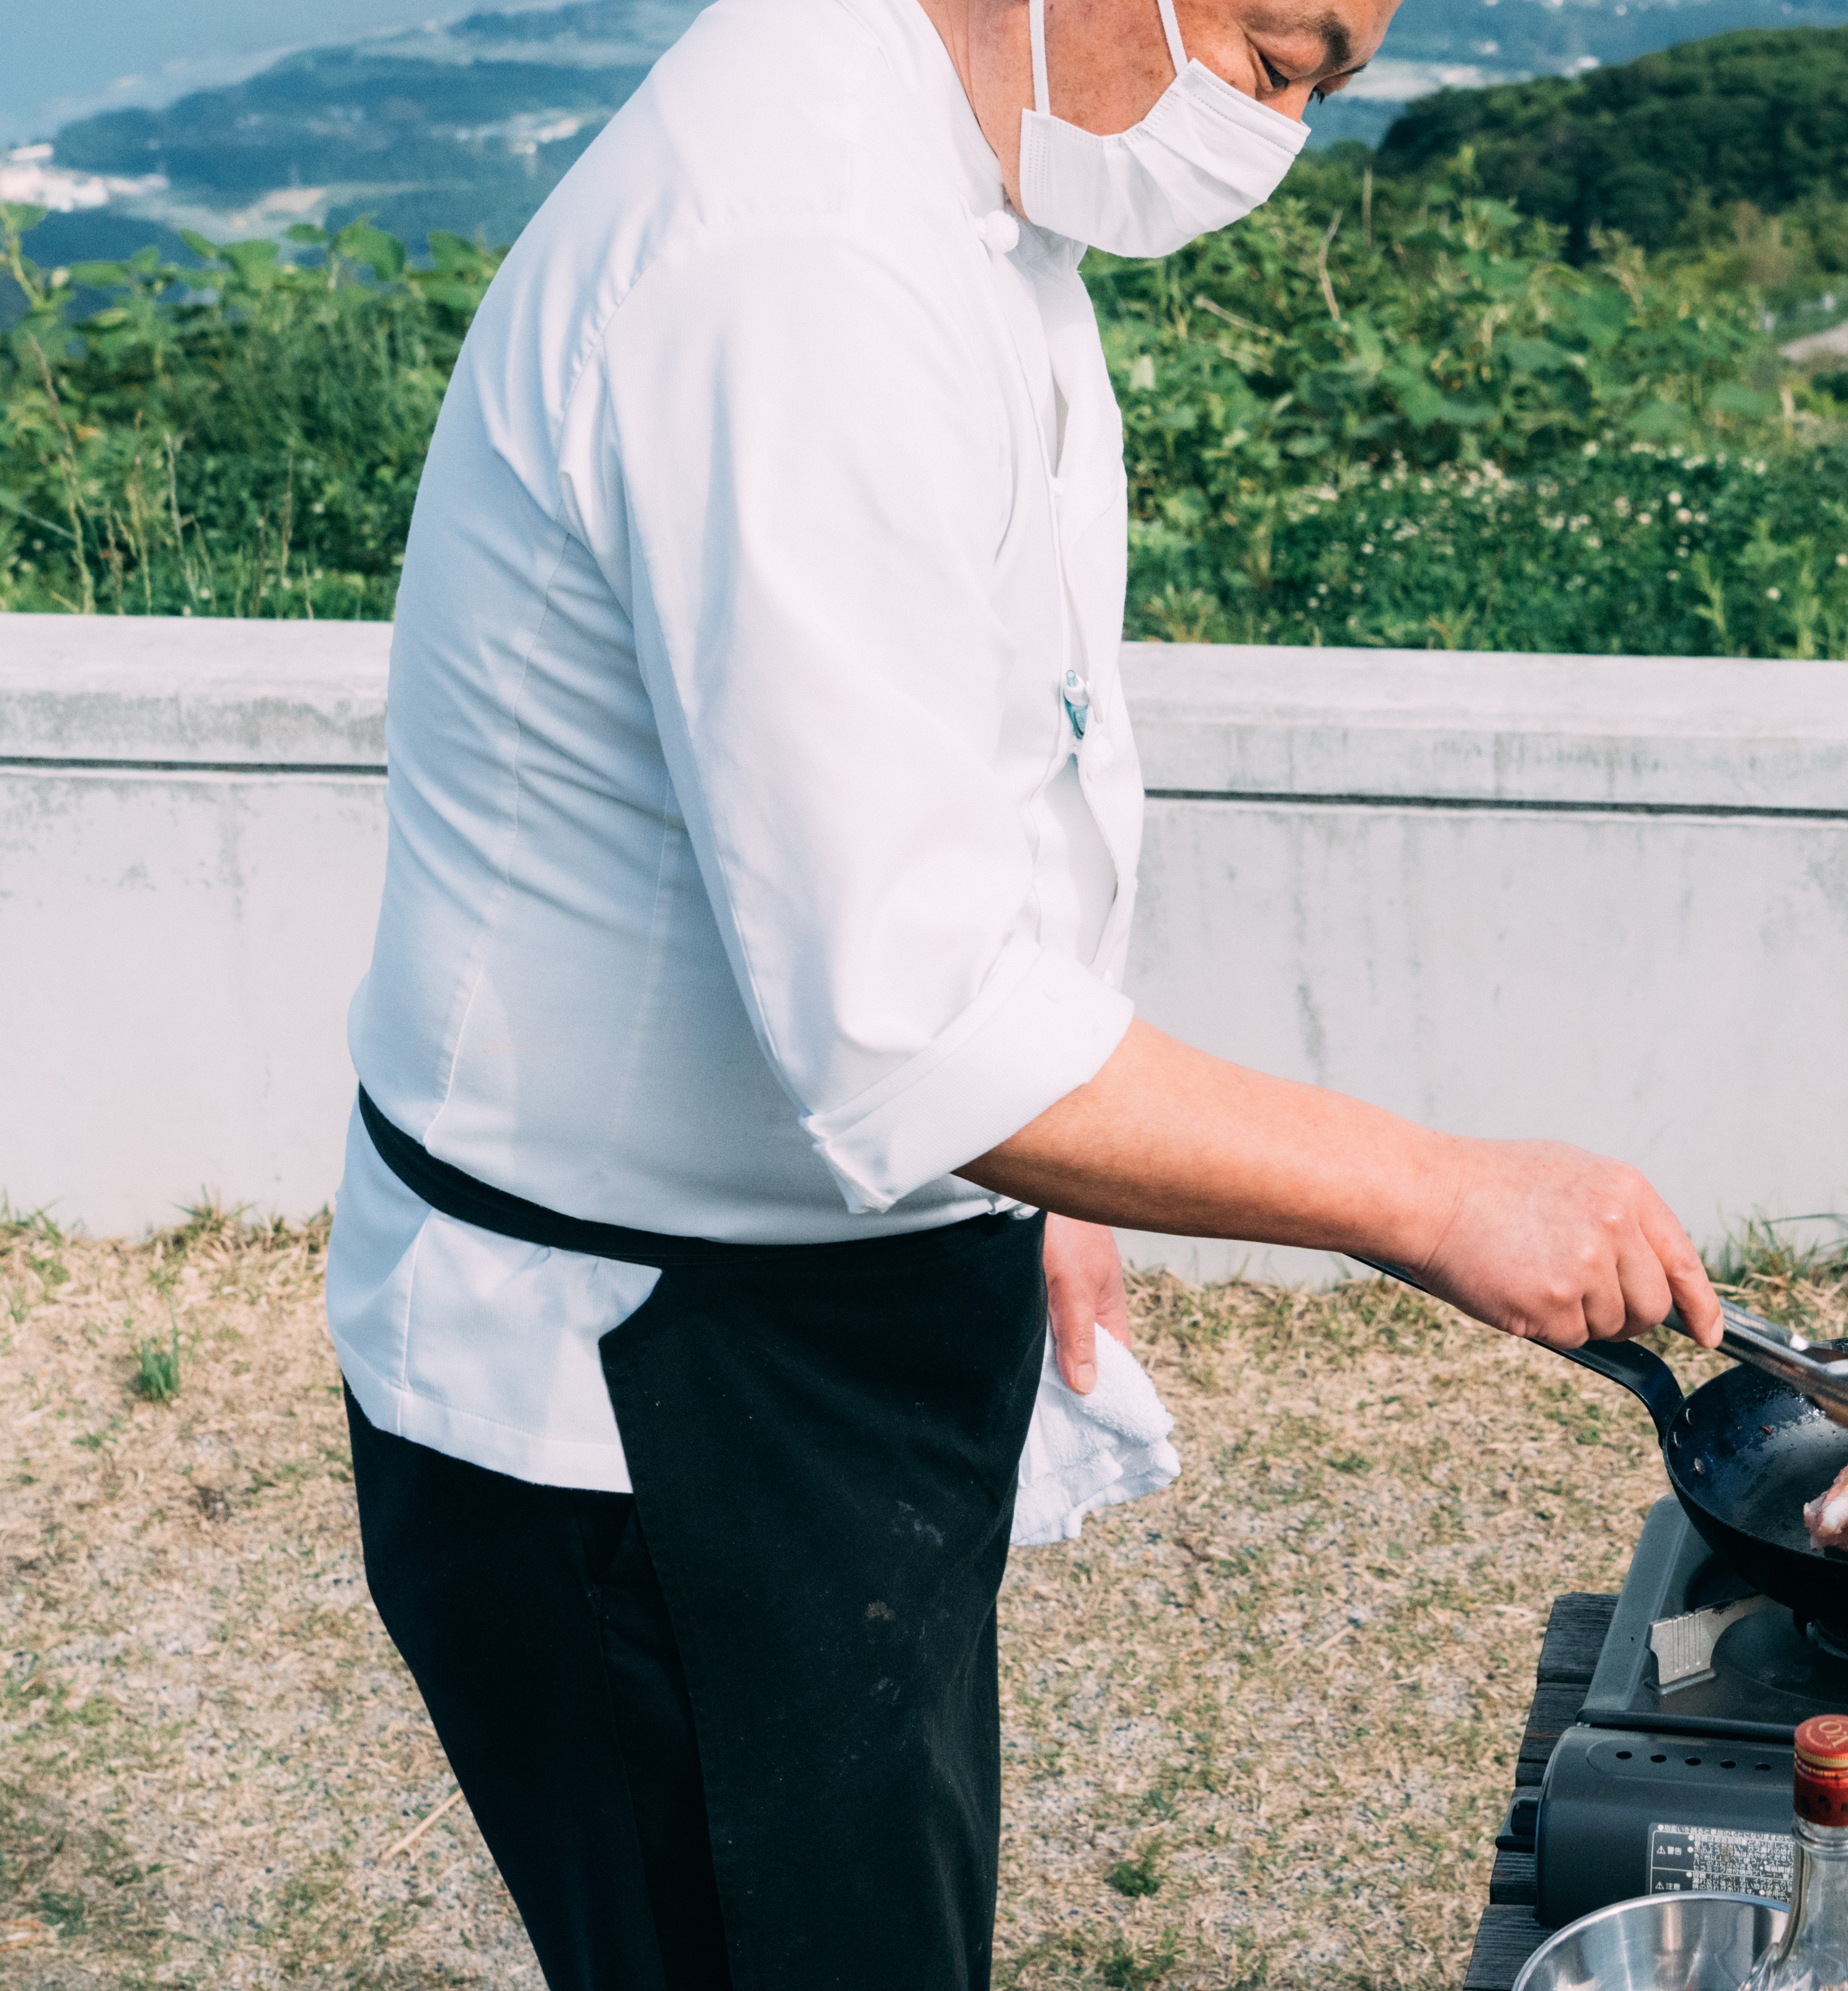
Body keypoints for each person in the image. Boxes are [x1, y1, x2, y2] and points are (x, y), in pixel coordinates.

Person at [323, 0, 1722, 1983]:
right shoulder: (790, 265)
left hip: (826, 1292)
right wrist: (1434, 1194)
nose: (1292, 130)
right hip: (651, 1394)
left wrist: (1044, 1168)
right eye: (1284, 54)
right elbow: (907, 1023)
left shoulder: (964, 167)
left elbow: (953, 755)